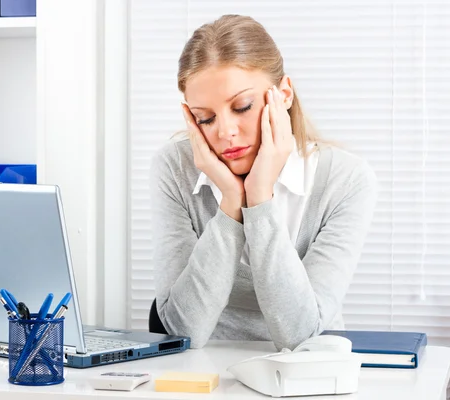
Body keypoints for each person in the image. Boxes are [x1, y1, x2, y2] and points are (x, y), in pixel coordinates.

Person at [149, 14, 378, 351]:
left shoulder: (347, 181)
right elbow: (183, 333)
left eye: (242, 106)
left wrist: (259, 199)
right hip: (202, 372)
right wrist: (231, 202)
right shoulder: (176, 167)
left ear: (283, 94)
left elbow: (301, 337)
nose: (224, 132)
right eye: (205, 118)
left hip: (305, 377)